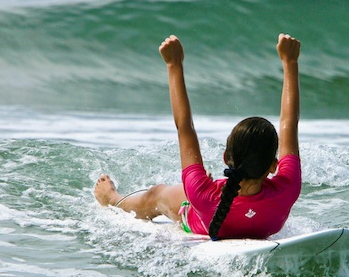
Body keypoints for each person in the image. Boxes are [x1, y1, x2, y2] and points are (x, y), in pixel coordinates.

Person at [94, 34, 302, 241]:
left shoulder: (203, 195)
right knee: (190, 190)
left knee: (158, 194)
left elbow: (185, 127)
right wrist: (290, 62)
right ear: (274, 166)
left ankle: (112, 199)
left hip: (198, 217)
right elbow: (288, 124)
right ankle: (112, 199)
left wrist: (174, 65)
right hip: (211, 201)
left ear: (225, 158)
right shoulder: (287, 189)